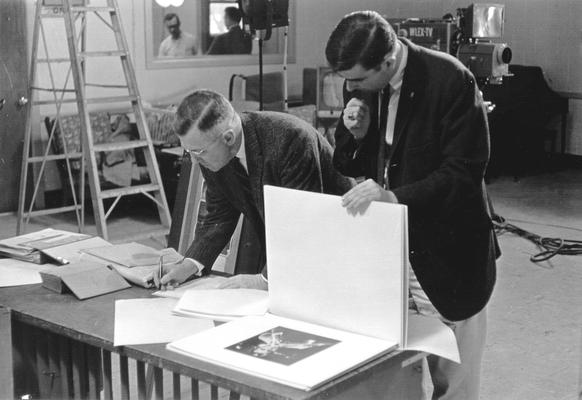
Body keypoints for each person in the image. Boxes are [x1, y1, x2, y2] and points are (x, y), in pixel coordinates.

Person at [325, 11, 499, 400]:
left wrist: (394, 198)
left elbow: (463, 173)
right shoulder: (363, 83)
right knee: (392, 369)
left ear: (387, 62)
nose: (350, 87)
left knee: (455, 382)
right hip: (392, 253)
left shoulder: (450, 79)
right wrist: (356, 135)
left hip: (450, 253)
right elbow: (348, 163)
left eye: (356, 79)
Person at [157, 89, 353, 290]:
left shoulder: (290, 138)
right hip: (289, 254)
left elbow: (302, 223)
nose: (194, 161)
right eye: (189, 151)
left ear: (228, 138)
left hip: (340, 249)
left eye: (197, 152)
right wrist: (188, 265)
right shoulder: (212, 152)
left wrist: (264, 280)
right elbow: (218, 217)